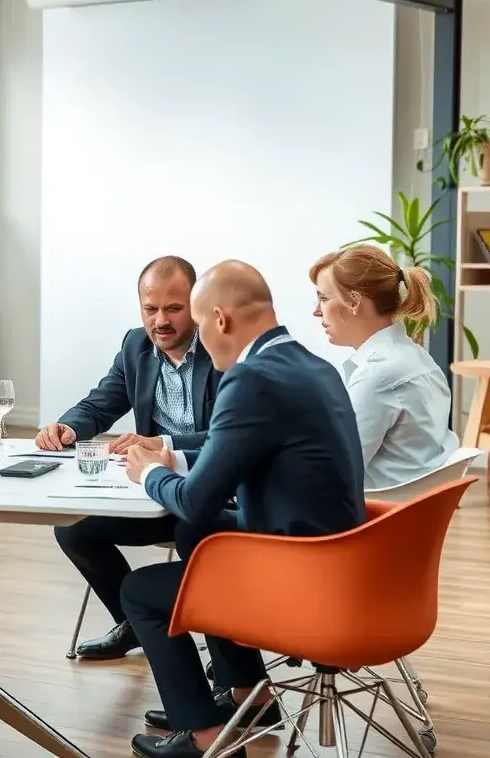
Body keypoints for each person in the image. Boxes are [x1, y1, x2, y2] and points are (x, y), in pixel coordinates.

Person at [118, 260, 365, 758]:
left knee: (140, 590)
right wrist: (176, 458)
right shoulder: (313, 366)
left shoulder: (250, 379)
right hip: (343, 565)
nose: (201, 342)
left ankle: (204, 737)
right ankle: (247, 696)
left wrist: (147, 473)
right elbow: (244, 447)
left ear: (219, 319)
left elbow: (193, 500)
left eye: (198, 324)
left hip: (298, 580)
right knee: (199, 534)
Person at [39, 256, 222, 660]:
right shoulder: (135, 345)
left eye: (173, 308)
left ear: (196, 304)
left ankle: (229, 659)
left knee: (198, 533)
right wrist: (68, 427)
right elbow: (100, 403)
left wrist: (163, 443)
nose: (161, 321)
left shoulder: (222, 348)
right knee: (74, 530)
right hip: (154, 491)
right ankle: (134, 625)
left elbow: (229, 437)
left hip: (211, 493)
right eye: (150, 308)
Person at [310, 243, 459, 489]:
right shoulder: (417, 358)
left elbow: (336, 471)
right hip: (411, 505)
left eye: (324, 299)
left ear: (354, 301)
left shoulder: (378, 374)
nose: (317, 311)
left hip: (376, 510)